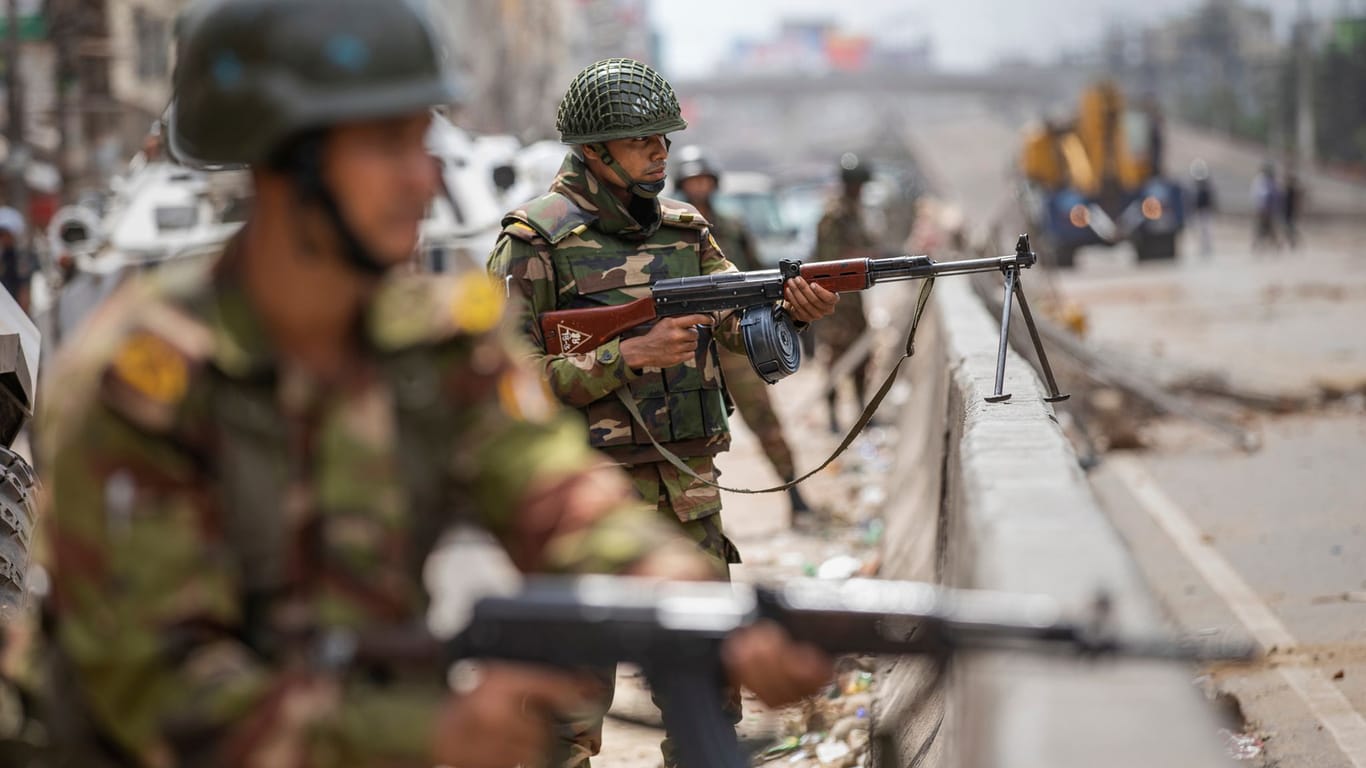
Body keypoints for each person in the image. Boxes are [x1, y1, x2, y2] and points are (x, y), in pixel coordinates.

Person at [30, 6, 832, 768]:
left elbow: (551, 490)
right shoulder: (138, 381)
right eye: (386, 147)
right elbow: (156, 684)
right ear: (287, 165)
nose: (423, 182)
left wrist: (689, 606)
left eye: (423, 145)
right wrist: (428, 731)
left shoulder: (432, 341)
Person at [487, 58, 838, 766]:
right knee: (564, 716)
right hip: (577, 507)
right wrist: (627, 355)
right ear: (594, 151)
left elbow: (743, 328)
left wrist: (792, 314)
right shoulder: (535, 243)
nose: (661, 153)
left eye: (664, 139)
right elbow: (502, 392)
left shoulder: (685, 232)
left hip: (686, 501)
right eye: (643, 139)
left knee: (708, 699)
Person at [672, 145, 813, 520]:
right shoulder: (671, 232)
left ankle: (793, 491)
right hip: (685, 343)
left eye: (703, 180)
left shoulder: (730, 226)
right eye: (692, 182)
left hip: (732, 336)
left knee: (763, 418)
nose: (698, 188)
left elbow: (756, 275)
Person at [814, 153, 876, 433]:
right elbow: (827, 261)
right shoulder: (834, 216)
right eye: (855, 184)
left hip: (854, 299)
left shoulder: (854, 213)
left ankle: (863, 410)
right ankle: (833, 418)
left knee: (862, 356)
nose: (858, 190)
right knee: (836, 359)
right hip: (835, 300)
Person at [0, 206, 33, 314]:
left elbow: (24, 289)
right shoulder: (3, 255)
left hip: (16, 312)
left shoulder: (20, 257)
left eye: (5, 234)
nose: (3, 238)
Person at [1190, 159, 1216, 258]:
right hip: (1199, 211)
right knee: (1200, 231)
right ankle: (1202, 247)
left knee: (1207, 231)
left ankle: (1207, 247)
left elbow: (1211, 199)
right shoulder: (1195, 188)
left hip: (1206, 211)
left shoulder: (1207, 187)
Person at [1251, 162, 1280, 252]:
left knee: (1267, 228)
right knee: (1263, 228)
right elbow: (1262, 195)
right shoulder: (1262, 180)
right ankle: (1258, 245)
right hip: (1264, 208)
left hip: (1267, 209)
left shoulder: (1268, 181)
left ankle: (1274, 245)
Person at [1282, 168, 1304, 250]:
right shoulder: (1288, 190)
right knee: (1288, 229)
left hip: (1290, 212)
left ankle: (1292, 243)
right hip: (1287, 212)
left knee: (1289, 229)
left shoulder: (1291, 190)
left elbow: (1296, 202)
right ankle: (1291, 243)